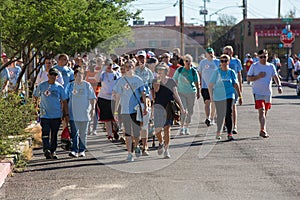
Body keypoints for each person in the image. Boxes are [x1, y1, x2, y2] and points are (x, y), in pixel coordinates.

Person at [113, 60, 148, 162]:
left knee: (136, 131)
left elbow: (143, 94)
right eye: (127, 66)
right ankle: (129, 153)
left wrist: (145, 107)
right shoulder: (121, 81)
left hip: (135, 109)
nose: (128, 68)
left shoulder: (138, 80)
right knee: (128, 132)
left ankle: (136, 145)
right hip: (125, 110)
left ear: (134, 67)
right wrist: (115, 111)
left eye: (130, 66)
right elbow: (118, 96)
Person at [33, 68, 69, 159]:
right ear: (48, 75)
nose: (53, 76)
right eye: (51, 74)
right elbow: (35, 97)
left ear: (57, 77)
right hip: (45, 114)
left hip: (56, 115)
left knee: (54, 134)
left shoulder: (59, 87)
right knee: (45, 132)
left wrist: (66, 113)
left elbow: (64, 101)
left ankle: (53, 151)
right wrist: (34, 110)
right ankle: (46, 149)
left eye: (55, 75)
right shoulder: (42, 86)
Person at [247, 49, 282, 138]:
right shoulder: (254, 66)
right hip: (257, 92)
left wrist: (279, 86)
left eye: (265, 56)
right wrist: (258, 76)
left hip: (267, 92)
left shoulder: (271, 66)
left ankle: (262, 127)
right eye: (261, 57)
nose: (263, 58)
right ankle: (263, 130)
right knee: (261, 110)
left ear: (267, 56)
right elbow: (249, 78)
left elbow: (275, 76)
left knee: (264, 112)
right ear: (258, 57)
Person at [153, 63, 185, 158]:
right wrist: (159, 80)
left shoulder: (171, 81)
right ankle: (161, 142)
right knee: (158, 130)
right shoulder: (155, 81)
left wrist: (182, 107)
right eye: (159, 70)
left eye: (162, 70)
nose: (160, 71)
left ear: (166, 71)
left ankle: (166, 150)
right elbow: (156, 90)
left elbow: (176, 94)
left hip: (168, 107)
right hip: (158, 107)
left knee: (167, 128)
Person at [208, 54, 243, 141]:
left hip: (229, 94)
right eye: (222, 61)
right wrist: (211, 97)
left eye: (225, 61)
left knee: (229, 113)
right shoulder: (217, 72)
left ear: (229, 62)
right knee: (220, 114)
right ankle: (218, 132)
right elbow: (210, 84)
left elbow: (235, 84)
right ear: (220, 62)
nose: (224, 63)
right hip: (219, 95)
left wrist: (240, 95)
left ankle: (229, 133)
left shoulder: (231, 72)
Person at [67, 67, 96, 157]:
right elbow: (65, 98)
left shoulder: (87, 85)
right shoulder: (71, 85)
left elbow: (92, 98)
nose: (78, 77)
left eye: (80, 76)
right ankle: (74, 150)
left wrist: (93, 109)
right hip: (73, 114)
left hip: (84, 113)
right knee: (74, 133)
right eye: (76, 76)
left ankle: (82, 150)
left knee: (83, 133)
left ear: (83, 76)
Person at [173, 54, 200, 135]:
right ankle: (181, 127)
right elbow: (174, 80)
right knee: (183, 110)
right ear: (184, 62)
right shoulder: (179, 70)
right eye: (186, 61)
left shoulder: (193, 71)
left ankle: (186, 127)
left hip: (191, 92)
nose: (188, 62)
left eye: (189, 61)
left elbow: (197, 83)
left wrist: (198, 92)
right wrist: (174, 91)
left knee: (190, 111)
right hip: (181, 92)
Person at [97, 58, 121, 140]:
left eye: (110, 64)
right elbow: (97, 79)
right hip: (103, 98)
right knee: (107, 118)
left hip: (114, 99)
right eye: (107, 65)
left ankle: (116, 129)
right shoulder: (103, 74)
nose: (109, 66)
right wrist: (102, 69)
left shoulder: (117, 74)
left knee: (115, 117)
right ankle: (109, 135)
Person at [135, 50, 154, 152]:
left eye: (143, 58)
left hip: (145, 99)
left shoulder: (149, 72)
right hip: (134, 99)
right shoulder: (133, 71)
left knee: (145, 124)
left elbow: (151, 87)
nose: (142, 59)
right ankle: (137, 144)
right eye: (140, 57)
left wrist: (152, 100)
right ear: (137, 58)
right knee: (136, 124)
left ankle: (145, 146)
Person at [223, 45, 243, 135]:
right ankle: (224, 124)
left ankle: (234, 126)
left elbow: (239, 75)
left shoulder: (236, 61)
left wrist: (240, 88)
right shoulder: (221, 61)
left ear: (232, 52)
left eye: (229, 52)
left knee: (233, 106)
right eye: (225, 52)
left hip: (233, 86)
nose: (227, 53)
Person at [197, 47, 219, 126]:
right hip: (205, 86)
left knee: (214, 103)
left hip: (215, 86)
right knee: (207, 102)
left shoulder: (217, 62)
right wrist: (200, 84)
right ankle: (207, 118)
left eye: (211, 53)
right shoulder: (203, 62)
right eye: (208, 53)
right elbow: (199, 73)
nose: (210, 54)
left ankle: (212, 118)